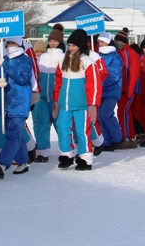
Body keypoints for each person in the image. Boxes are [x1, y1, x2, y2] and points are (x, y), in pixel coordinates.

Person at [53, 29, 100, 170]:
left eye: (74, 45)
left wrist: (92, 104)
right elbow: (58, 82)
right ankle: (66, 154)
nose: (71, 48)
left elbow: (94, 84)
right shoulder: (63, 61)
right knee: (62, 127)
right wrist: (56, 101)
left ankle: (85, 157)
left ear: (80, 46)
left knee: (82, 130)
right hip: (65, 103)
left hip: (81, 104)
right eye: (69, 45)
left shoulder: (87, 61)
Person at [0, 37, 34, 178]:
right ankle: (23, 161)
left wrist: (7, 67)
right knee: (16, 133)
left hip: (20, 101)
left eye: (13, 43)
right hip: (6, 101)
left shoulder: (26, 60)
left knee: (13, 133)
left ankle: (2, 163)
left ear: (19, 44)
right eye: (8, 43)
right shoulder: (4, 59)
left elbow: (22, 78)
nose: (10, 46)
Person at [34, 27, 65, 162]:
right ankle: (42, 150)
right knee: (41, 123)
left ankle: (67, 149)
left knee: (61, 124)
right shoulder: (42, 58)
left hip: (57, 98)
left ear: (60, 42)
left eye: (55, 41)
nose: (52, 43)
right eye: (50, 40)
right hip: (41, 97)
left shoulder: (64, 57)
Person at [97, 32, 123, 151]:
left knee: (106, 114)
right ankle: (106, 140)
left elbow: (115, 74)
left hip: (112, 89)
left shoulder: (115, 57)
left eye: (102, 42)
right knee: (99, 115)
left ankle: (117, 138)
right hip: (100, 90)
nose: (100, 44)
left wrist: (101, 83)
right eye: (99, 42)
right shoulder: (98, 56)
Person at [114, 28, 140, 149]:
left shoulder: (131, 54)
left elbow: (134, 74)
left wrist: (130, 90)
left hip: (128, 89)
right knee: (126, 112)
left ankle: (125, 137)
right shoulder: (118, 53)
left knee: (122, 112)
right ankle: (131, 136)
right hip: (120, 89)